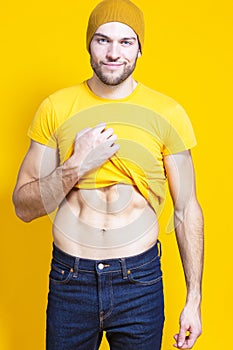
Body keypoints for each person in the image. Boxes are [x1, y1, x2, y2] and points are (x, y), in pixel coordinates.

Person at [12, 0, 204, 349]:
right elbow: (23, 207)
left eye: (126, 42)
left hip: (139, 283)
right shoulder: (56, 107)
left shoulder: (168, 113)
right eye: (102, 40)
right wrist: (78, 163)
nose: (113, 53)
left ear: (140, 48)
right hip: (71, 281)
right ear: (88, 44)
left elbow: (186, 209)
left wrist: (194, 300)